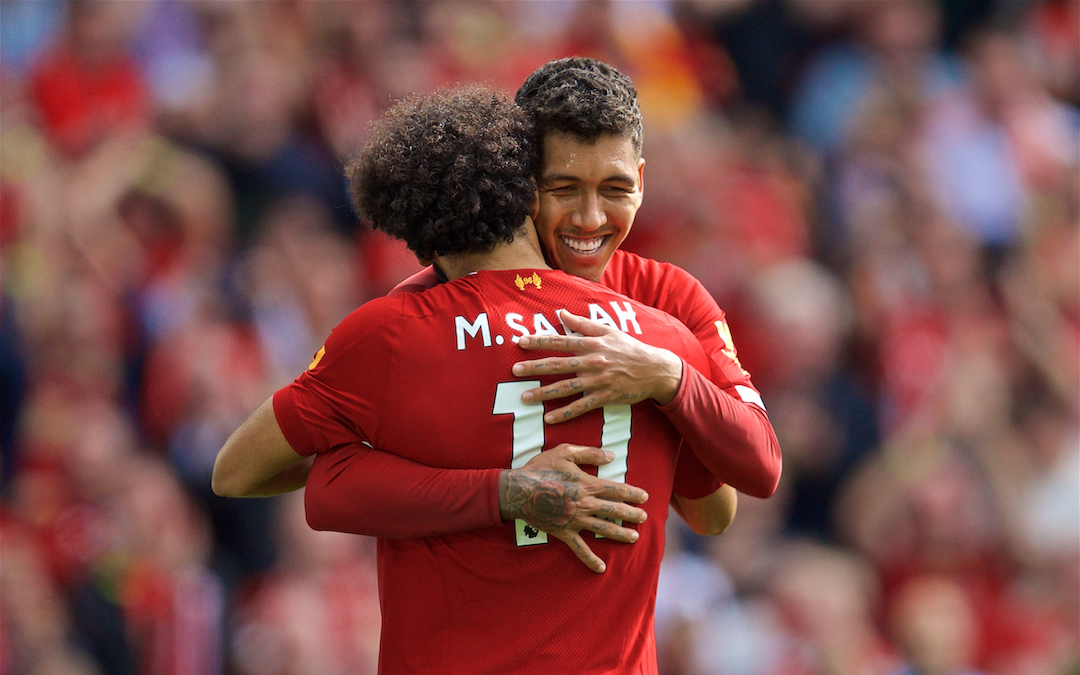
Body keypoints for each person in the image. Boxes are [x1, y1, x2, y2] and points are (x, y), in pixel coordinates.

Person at [215, 85, 733, 674]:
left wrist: (412, 472)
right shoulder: (654, 333)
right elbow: (715, 513)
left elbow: (236, 471)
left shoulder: (391, 335)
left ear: (413, 234)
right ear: (528, 195)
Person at [296, 57, 780, 569]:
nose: (591, 219)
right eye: (563, 188)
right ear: (522, 184)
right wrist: (503, 492)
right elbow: (291, 471)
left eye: (615, 190)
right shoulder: (432, 300)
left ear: (641, 180)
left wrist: (665, 376)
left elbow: (731, 496)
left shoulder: (669, 297)